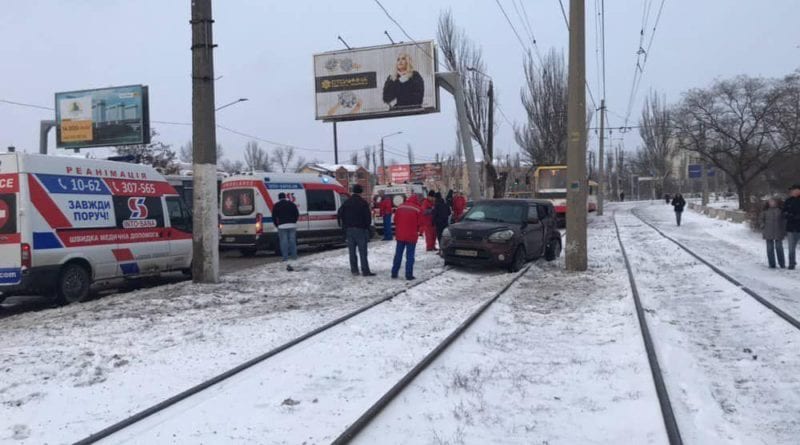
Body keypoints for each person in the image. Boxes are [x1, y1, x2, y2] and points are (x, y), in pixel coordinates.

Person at [338, 184, 375, 276]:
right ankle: (365, 271)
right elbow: (368, 218)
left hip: (349, 230)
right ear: (361, 192)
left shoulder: (346, 202)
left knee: (352, 252)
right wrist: (367, 228)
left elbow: (340, 214)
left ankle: (354, 270)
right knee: (363, 252)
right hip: (360, 230)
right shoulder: (363, 203)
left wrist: (344, 226)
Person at [392, 194, 423, 280]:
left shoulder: (400, 207)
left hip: (400, 235)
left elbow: (395, 220)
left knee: (398, 254)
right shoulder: (417, 209)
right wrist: (419, 231)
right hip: (411, 236)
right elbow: (420, 223)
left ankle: (394, 272)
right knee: (410, 256)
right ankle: (408, 275)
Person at [272, 192, 299, 271]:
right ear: (285, 197)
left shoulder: (276, 205)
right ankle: (294, 256)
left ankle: (285, 257)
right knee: (292, 241)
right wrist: (294, 221)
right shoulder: (291, 204)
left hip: (282, 225)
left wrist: (277, 225)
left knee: (284, 242)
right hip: (292, 225)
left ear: (279, 198)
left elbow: (274, 216)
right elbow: (296, 214)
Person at [761, 198, 786, 269]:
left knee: (779, 248)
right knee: (769, 249)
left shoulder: (780, 210)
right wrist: (762, 225)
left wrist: (784, 229)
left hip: (778, 232)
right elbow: (761, 219)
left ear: (776, 202)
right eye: (770, 202)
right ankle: (772, 264)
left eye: (773, 202)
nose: (772, 203)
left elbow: (784, 220)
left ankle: (782, 263)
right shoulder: (765, 211)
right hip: (768, 231)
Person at [784, 184, 800, 270]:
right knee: (791, 247)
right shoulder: (788, 201)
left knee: (793, 246)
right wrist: (788, 215)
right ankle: (791, 262)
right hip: (790, 227)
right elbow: (784, 211)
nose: (791, 192)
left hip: (799, 226)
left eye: (793, 190)